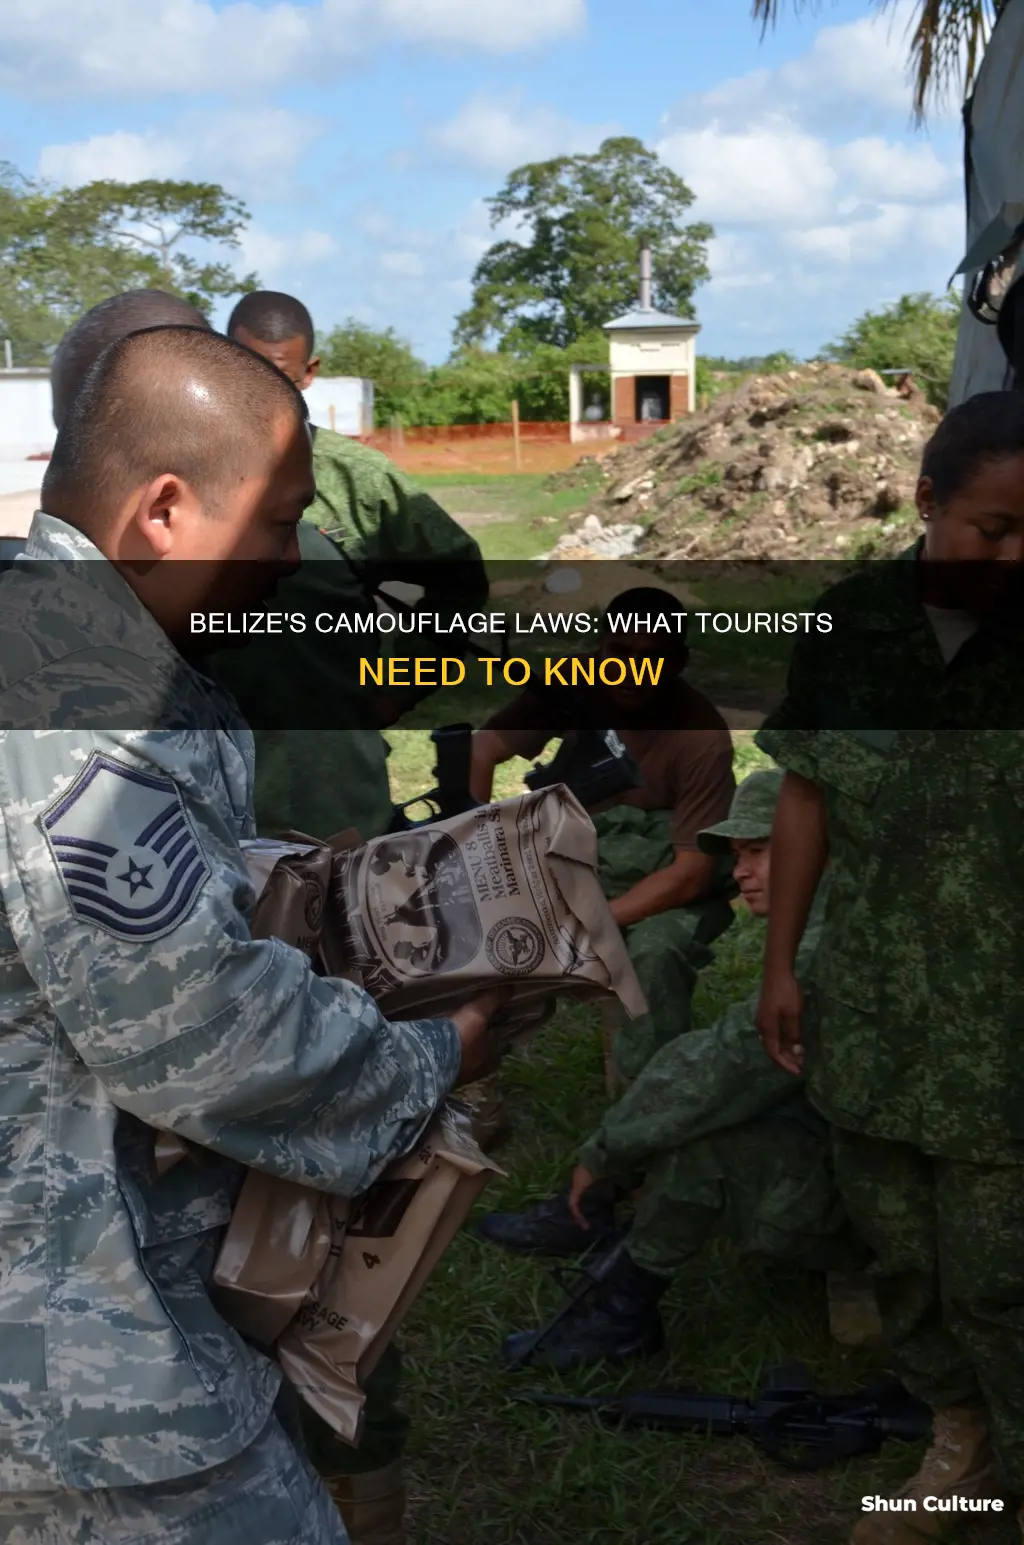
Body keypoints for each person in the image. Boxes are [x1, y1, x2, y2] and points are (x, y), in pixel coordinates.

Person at [0, 325, 506, 1545]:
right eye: (277, 522)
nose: (292, 560)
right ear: (165, 509)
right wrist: (438, 1052)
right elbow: (204, 1037)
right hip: (77, 1372)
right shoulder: (82, 710)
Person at [754, 391, 1024, 1544]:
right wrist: (779, 965)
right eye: (992, 530)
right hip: (866, 1000)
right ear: (923, 504)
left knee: (999, 1273)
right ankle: (955, 1437)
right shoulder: (851, 626)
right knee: (901, 1254)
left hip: (1002, 1028)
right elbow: (806, 797)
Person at [477, 769, 866, 1369]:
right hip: (864, 1151)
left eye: (759, 851)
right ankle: (606, 1235)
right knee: (692, 1114)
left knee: (700, 1144)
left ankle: (621, 1311)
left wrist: (605, 1152)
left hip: (886, 1206)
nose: (739, 873)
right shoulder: (840, 919)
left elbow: (721, 1067)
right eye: (737, 856)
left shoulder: (824, 954)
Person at [471, 588, 737, 1095]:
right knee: (478, 928)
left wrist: (590, 922)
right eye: (621, 657)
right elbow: (482, 751)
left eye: (652, 661)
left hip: (665, 881)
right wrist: (476, 848)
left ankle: (646, 1105)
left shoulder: (700, 736)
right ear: (600, 648)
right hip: (576, 856)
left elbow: (691, 873)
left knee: (652, 955)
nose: (634, 674)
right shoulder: (571, 681)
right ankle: (468, 1085)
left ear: (678, 661)